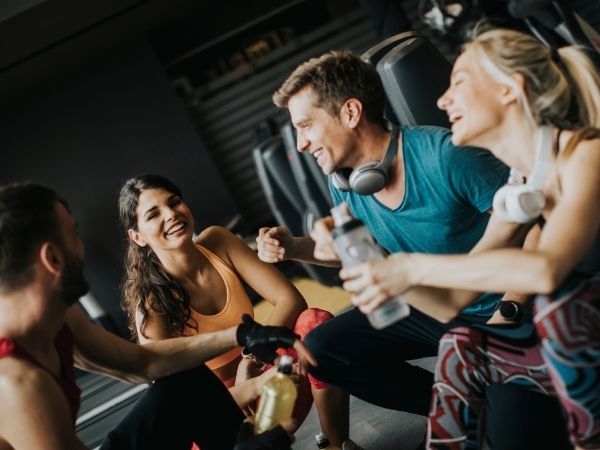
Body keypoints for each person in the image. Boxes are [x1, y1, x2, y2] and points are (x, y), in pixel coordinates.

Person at [257, 50, 571, 449]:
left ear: (351, 113)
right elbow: (358, 249)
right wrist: (294, 248)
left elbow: (534, 227)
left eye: (305, 126)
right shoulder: (353, 183)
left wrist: (508, 310)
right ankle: (457, 404)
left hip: (505, 312)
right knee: (324, 348)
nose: (301, 143)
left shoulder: (445, 156)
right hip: (442, 308)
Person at [337, 28, 600, 449]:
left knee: (559, 310)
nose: (441, 100)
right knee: (460, 343)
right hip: (572, 354)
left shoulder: (587, 154)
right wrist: (387, 274)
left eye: (458, 83)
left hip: (580, 343)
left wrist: (414, 265)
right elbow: (453, 301)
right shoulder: (522, 185)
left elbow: (547, 269)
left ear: (510, 90)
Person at [0, 181, 315, 450]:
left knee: (184, 378)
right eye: (74, 236)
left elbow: (144, 362)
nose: (81, 247)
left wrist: (242, 335)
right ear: (52, 258)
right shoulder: (18, 384)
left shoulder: (61, 316)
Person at [118, 174, 348, 445]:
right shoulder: (151, 302)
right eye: (153, 214)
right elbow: (177, 406)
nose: (171, 214)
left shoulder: (218, 241)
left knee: (314, 323)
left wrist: (250, 359)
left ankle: (337, 444)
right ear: (137, 236)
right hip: (213, 415)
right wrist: (250, 387)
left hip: (262, 372)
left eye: (175, 202)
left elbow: (290, 299)